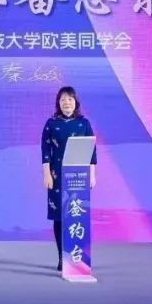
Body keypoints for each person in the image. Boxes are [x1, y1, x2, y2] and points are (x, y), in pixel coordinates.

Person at [41, 85, 96, 271]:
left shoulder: (84, 123)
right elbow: (45, 150)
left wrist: (92, 175)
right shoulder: (51, 123)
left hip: (78, 176)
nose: (67, 103)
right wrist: (46, 174)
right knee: (59, 217)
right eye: (63, 99)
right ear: (58, 103)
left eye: (70, 99)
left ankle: (76, 258)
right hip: (56, 175)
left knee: (76, 215)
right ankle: (61, 258)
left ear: (75, 102)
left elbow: (92, 151)